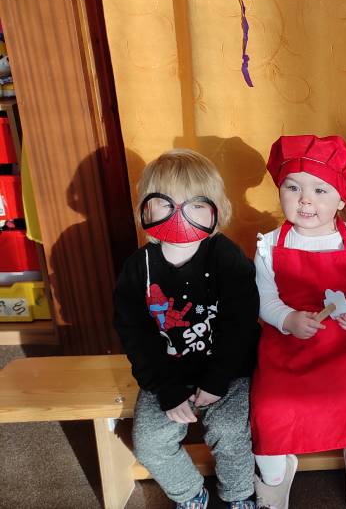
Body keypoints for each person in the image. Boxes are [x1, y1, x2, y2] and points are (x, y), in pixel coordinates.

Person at [250, 135, 346, 509]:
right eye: (293, 188)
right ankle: (274, 475)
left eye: (319, 190)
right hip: (287, 350)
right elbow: (264, 298)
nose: (305, 200)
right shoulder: (269, 244)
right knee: (270, 410)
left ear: (341, 199)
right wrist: (287, 318)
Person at [114, 149, 260, 509]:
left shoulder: (226, 258)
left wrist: (218, 379)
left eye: (194, 205)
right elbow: (135, 335)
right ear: (146, 209)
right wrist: (166, 389)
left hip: (228, 372)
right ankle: (190, 493)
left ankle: (239, 494)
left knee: (230, 431)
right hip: (166, 375)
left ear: (215, 210)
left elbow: (240, 325)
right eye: (166, 204)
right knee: (149, 441)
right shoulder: (137, 269)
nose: (179, 216)